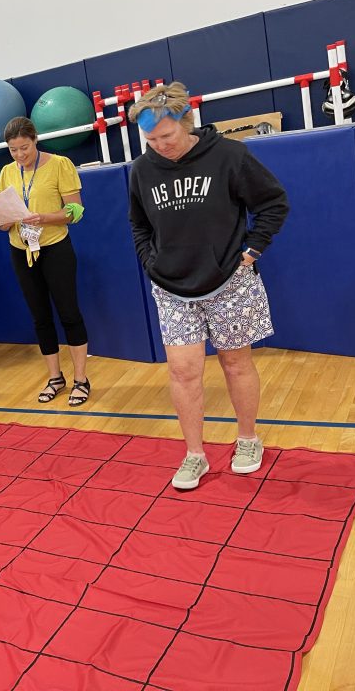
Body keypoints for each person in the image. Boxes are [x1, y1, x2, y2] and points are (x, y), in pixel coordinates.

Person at [128, 82, 289, 490]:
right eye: (151, 139)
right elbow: (139, 224)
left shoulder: (230, 155)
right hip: (171, 286)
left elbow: (273, 203)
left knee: (236, 363)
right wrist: (151, 262)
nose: (160, 145)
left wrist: (251, 253)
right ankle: (194, 454)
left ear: (188, 124)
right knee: (183, 372)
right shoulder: (142, 170)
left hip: (229, 282)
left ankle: (249, 439)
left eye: (167, 136)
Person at [0, 116, 91, 406]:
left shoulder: (60, 164)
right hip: (20, 250)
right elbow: (0, 219)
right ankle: (55, 377)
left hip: (55, 248)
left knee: (69, 313)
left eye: (24, 147)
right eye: (13, 150)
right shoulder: (6, 172)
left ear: (35, 139)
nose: (20, 155)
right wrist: (3, 220)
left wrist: (45, 218)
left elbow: (76, 211)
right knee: (40, 317)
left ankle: (81, 379)